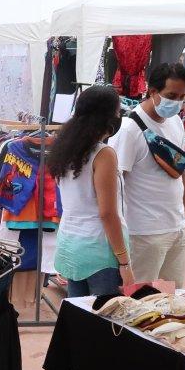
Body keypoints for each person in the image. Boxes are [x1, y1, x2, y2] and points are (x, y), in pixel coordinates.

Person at [109, 62, 185, 286]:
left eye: (182, 97)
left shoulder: (176, 122)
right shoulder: (128, 130)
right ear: (153, 92)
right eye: (171, 95)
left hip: (175, 228)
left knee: (172, 298)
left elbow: (181, 174)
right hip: (143, 234)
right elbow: (113, 186)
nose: (177, 102)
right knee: (139, 303)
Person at [48, 86, 134, 297]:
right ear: (106, 117)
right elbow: (107, 213)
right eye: (117, 112)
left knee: (81, 318)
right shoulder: (103, 154)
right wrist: (124, 262)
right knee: (105, 321)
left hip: (70, 245)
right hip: (99, 251)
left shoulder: (66, 150)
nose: (118, 117)